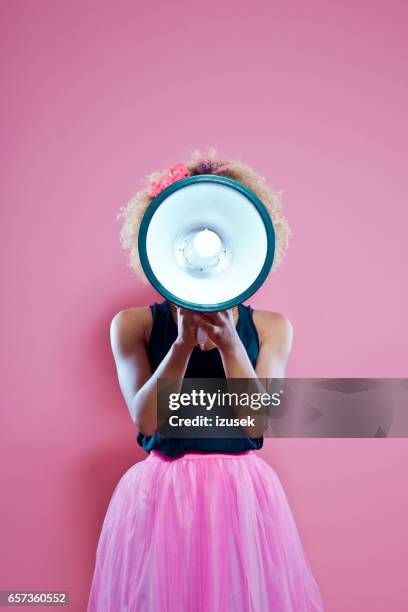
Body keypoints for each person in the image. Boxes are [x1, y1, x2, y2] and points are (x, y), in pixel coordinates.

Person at [87, 148, 325, 611]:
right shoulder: (132, 323)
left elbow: (256, 424)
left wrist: (231, 344)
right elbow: (148, 419)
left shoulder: (273, 326)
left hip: (241, 494)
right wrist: (179, 346)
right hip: (163, 495)